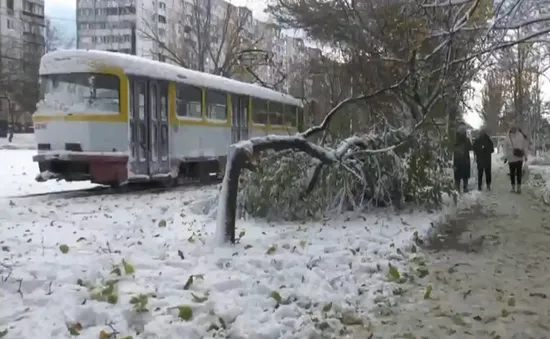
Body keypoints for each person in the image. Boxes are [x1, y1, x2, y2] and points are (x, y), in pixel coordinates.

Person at [503, 124, 529, 193]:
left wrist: (526, 156)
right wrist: (506, 156)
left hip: (519, 158)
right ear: (510, 128)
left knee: (519, 173)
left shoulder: (520, 135)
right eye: (512, 128)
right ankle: (513, 187)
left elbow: (524, 146)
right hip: (511, 158)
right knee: (512, 173)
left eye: (515, 128)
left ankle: (519, 188)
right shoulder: (507, 137)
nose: (514, 129)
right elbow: (505, 147)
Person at [453, 127, 472, 192]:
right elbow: (470, 148)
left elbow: (452, 148)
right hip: (465, 161)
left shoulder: (455, 140)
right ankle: (465, 188)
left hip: (457, 160)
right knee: (465, 176)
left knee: (457, 176)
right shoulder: (467, 140)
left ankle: (457, 188)